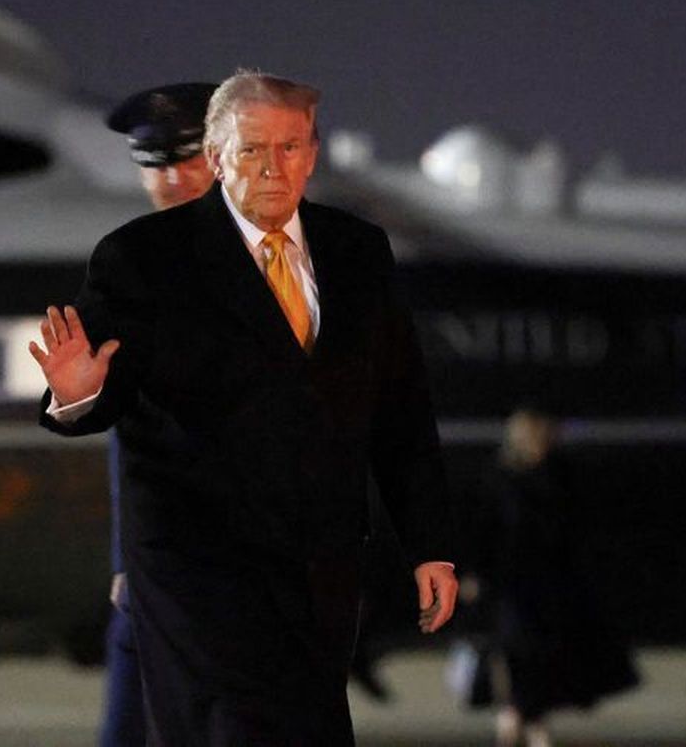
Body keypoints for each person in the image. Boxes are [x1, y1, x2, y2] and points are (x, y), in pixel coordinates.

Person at [30, 70, 458, 745]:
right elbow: (113, 405)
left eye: (287, 148)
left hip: (317, 569)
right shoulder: (138, 260)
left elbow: (399, 411)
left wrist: (429, 546)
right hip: (196, 574)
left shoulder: (354, 252)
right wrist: (78, 391)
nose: (172, 179)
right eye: (252, 149)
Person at [98, 82, 217, 747]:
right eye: (153, 165)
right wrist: (127, 558)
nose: (170, 180)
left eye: (185, 159)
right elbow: (131, 436)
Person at [482, 410, 638, 747]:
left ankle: (525, 717)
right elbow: (489, 533)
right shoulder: (502, 480)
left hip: (550, 585)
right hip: (512, 585)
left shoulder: (558, 477)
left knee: (542, 653)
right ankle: (521, 716)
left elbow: (571, 532)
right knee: (516, 650)